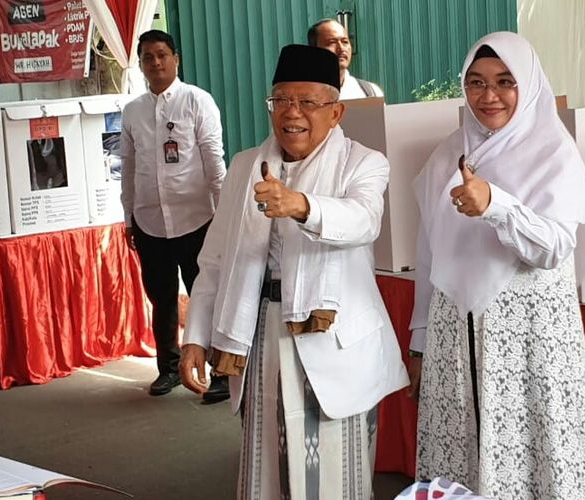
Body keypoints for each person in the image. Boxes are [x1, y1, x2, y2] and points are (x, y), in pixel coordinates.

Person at [180, 44, 408, 499]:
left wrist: (301, 206)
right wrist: (195, 337)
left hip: (335, 342)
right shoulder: (246, 166)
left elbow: (364, 221)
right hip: (261, 331)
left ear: (336, 111)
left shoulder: (364, 162)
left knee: (334, 479)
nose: (292, 113)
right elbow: (216, 261)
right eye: (281, 100)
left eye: (307, 102)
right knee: (267, 470)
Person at [408, 31, 585, 499]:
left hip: (530, 342)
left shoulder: (553, 153)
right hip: (455, 339)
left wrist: (496, 204)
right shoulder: (448, 154)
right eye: (475, 83)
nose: (489, 96)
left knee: (538, 457)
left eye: (504, 81)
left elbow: (555, 247)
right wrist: (420, 342)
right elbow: (428, 255)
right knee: (461, 454)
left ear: (528, 84)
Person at [121, 29, 228, 398]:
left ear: (176, 58)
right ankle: (167, 367)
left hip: (198, 218)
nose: (156, 62)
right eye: (148, 57)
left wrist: (224, 214)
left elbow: (215, 161)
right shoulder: (133, 110)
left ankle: (220, 373)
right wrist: (128, 217)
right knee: (161, 296)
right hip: (150, 221)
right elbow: (129, 166)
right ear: (140, 63)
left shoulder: (197, 101)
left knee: (205, 293)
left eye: (162, 55)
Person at [307, 19, 384, 100]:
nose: (341, 48)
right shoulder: (300, 96)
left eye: (345, 42)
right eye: (332, 42)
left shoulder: (371, 93)